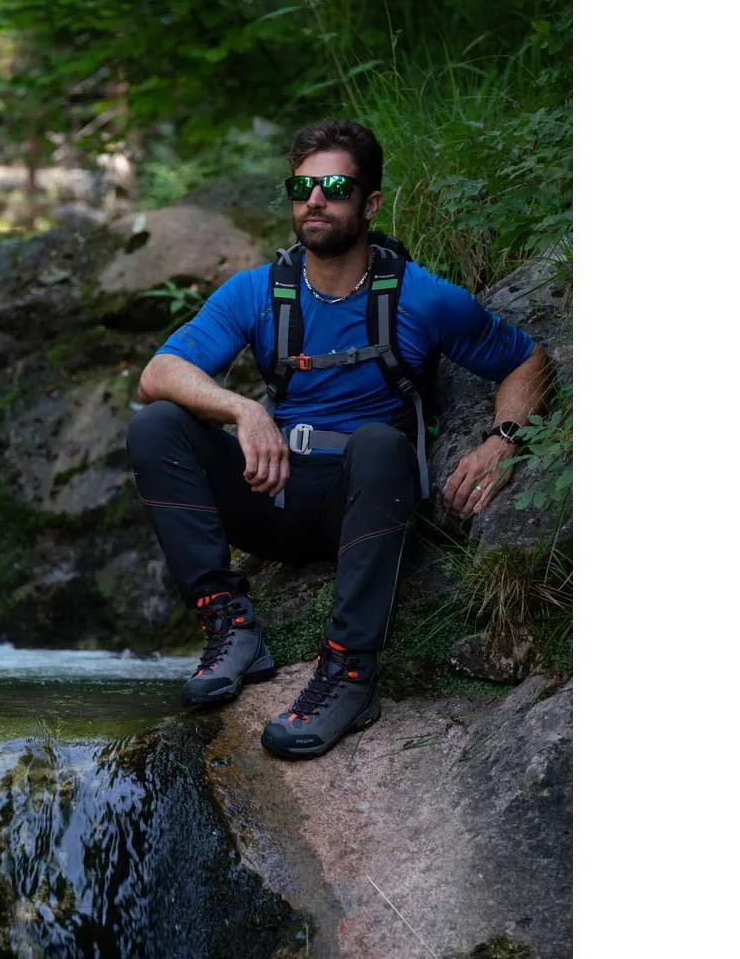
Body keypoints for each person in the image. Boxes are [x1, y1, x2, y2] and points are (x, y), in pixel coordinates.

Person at [126, 119, 548, 759]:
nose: (315, 200)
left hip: (365, 503)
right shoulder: (259, 292)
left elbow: (527, 359)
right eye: (302, 188)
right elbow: (159, 373)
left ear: (370, 204)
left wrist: (504, 439)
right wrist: (244, 410)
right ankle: (231, 626)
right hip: (272, 493)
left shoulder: (420, 297)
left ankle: (350, 675)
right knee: (157, 425)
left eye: (334, 188)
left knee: (379, 442)